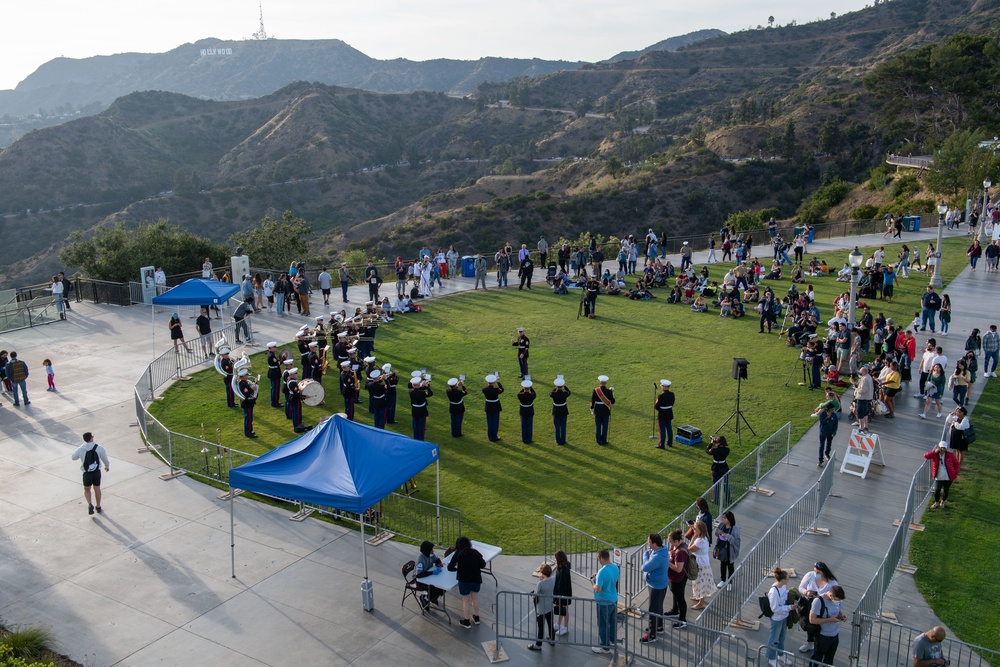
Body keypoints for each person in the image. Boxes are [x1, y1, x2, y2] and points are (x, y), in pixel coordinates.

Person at [797, 561, 839, 654]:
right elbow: (801, 587)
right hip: (810, 604)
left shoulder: (831, 583)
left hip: (823, 607)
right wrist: (806, 592)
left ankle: (819, 644)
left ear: (824, 572)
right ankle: (810, 643)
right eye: (815, 571)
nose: (816, 574)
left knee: (820, 626)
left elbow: (834, 596)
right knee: (810, 625)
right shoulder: (812, 576)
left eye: (818, 572)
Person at [448, 536, 486, 629]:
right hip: (476, 579)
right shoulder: (475, 552)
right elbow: (483, 564)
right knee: (475, 598)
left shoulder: (458, 553)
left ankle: (466, 621)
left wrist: (458, 568)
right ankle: (476, 617)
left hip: (464, 580)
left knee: (466, 600)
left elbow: (450, 567)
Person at [639, 533, 671, 643]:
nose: (647, 544)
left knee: (653, 610)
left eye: (649, 542)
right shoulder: (661, 551)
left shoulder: (657, 557)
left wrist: (645, 556)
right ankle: (659, 626)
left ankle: (652, 635)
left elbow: (645, 567)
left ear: (654, 543)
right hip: (659, 584)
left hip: (656, 586)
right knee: (658, 606)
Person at [71, 432, 109, 515]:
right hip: (96, 472)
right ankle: (98, 506)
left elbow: (73, 457)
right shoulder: (99, 448)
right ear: (91, 438)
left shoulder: (81, 448)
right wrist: (107, 466)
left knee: (87, 489)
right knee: (97, 489)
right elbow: (104, 459)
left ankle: (89, 504)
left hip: (87, 473)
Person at [590, 548, 619, 653]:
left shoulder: (602, 572)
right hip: (613, 600)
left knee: (603, 624)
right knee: (612, 622)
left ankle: (604, 646)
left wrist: (593, 582)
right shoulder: (615, 567)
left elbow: (598, 589)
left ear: (601, 558)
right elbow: (612, 578)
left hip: (603, 602)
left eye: (598, 559)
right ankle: (612, 640)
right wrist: (598, 575)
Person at [809, 585, 847, 665]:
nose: (838, 602)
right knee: (817, 658)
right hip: (822, 636)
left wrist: (841, 616)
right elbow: (812, 620)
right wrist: (829, 620)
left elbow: (838, 610)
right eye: (837, 600)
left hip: (834, 635)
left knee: (829, 659)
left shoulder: (838, 601)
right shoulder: (818, 601)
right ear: (830, 595)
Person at [765, 568, 795, 666]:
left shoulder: (782, 587)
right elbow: (775, 609)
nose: (788, 580)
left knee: (781, 638)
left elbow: (785, 596)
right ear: (782, 580)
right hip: (777, 618)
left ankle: (781, 655)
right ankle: (771, 658)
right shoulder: (773, 592)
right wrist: (789, 607)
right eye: (787, 578)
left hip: (783, 617)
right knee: (774, 639)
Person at [527, 563, 555, 651]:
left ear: (542, 573)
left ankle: (538, 645)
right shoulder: (553, 580)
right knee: (550, 624)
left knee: (540, 627)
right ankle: (552, 639)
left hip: (541, 608)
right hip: (549, 606)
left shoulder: (540, 584)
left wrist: (532, 594)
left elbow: (534, 595)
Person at [665, 529, 689, 629]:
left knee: (680, 598)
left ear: (676, 541)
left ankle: (682, 620)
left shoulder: (680, 552)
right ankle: (675, 610)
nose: (669, 543)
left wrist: (667, 562)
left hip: (678, 578)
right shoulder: (678, 546)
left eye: (670, 541)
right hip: (676, 578)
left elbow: (678, 569)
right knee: (676, 595)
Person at [688, 520, 714, 609]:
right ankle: (697, 595)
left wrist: (694, 537)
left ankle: (701, 602)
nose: (694, 530)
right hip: (701, 561)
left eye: (695, 529)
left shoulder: (700, 541)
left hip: (701, 563)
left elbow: (690, 548)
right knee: (696, 581)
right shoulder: (704, 538)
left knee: (700, 582)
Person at [925, 441, 960, 509]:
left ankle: (942, 502)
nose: (942, 450)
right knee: (937, 490)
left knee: (946, 490)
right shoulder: (935, 454)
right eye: (941, 448)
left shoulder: (950, 455)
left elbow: (957, 464)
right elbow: (926, 456)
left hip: (948, 476)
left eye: (944, 448)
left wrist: (955, 472)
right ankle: (936, 502)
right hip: (939, 475)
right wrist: (934, 452)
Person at [413, 540, 444, 610]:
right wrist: (432, 572)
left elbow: (436, 559)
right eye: (431, 549)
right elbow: (419, 575)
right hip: (420, 581)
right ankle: (425, 598)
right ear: (427, 550)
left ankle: (432, 598)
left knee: (441, 588)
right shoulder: (420, 560)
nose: (433, 551)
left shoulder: (430, 555)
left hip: (429, 577)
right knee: (436, 588)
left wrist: (439, 563)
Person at [714, 511, 741, 587]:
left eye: (725, 518)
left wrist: (727, 536)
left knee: (730, 566)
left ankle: (730, 582)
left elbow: (736, 541)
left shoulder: (735, 528)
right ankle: (723, 580)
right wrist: (719, 532)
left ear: (729, 519)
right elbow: (716, 532)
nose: (723, 519)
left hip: (730, 550)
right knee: (722, 564)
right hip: (721, 548)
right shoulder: (722, 525)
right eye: (723, 517)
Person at [552, 549, 573, 636]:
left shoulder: (563, 570)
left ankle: (565, 626)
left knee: (564, 609)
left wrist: (558, 596)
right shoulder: (561, 567)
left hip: (563, 594)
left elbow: (562, 584)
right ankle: (558, 624)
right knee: (561, 608)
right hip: (561, 593)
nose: (554, 559)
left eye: (555, 558)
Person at [590, 375, 615, 445]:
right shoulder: (609, 392)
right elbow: (612, 401)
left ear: (600, 382)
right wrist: (612, 392)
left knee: (598, 426)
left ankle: (598, 440)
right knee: (605, 426)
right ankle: (604, 440)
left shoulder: (596, 390)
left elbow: (592, 401)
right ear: (606, 383)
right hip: (605, 410)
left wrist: (592, 409)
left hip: (597, 410)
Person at [706, 435, 730, 504]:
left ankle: (715, 500)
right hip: (724, 468)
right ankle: (728, 499)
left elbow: (707, 451)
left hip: (715, 468)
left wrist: (711, 443)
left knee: (716, 485)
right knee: (726, 485)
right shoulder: (727, 450)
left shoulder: (714, 450)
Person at [482, 374, 504, 442]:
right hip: (495, 406)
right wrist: (498, 382)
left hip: (488, 406)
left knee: (489, 422)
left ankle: (490, 436)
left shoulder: (484, 389)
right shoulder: (496, 390)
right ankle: (494, 436)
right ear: (494, 382)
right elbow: (502, 389)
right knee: (495, 422)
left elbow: (486, 388)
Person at [237, 368, 258, 438]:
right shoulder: (243, 385)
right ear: (243, 376)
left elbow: (249, 388)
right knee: (248, 418)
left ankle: (250, 430)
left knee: (249, 418)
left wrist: (254, 383)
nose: (247, 376)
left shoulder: (244, 383)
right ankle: (248, 432)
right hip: (247, 403)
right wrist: (253, 389)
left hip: (248, 403)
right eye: (246, 375)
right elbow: (247, 394)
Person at [550, 377, 571, 445]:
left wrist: (555, 388)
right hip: (563, 410)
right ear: (562, 386)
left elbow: (550, 393)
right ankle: (563, 440)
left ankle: (558, 440)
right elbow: (569, 392)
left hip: (556, 411)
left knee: (557, 426)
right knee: (563, 426)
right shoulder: (565, 393)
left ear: (556, 386)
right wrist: (564, 386)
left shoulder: (554, 394)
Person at [655, 379, 674, 449]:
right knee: (669, 428)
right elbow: (672, 403)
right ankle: (670, 442)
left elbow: (656, 407)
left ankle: (661, 444)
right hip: (669, 413)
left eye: (662, 386)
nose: (661, 387)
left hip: (662, 414)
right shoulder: (672, 394)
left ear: (664, 387)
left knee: (662, 430)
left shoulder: (661, 396)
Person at [818, 401, 839, 466]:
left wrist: (834, 432)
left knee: (829, 444)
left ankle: (827, 454)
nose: (833, 410)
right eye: (832, 409)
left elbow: (835, 424)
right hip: (823, 432)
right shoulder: (823, 414)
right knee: (822, 446)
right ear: (829, 409)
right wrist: (827, 417)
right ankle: (820, 460)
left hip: (830, 433)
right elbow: (822, 423)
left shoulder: (834, 415)